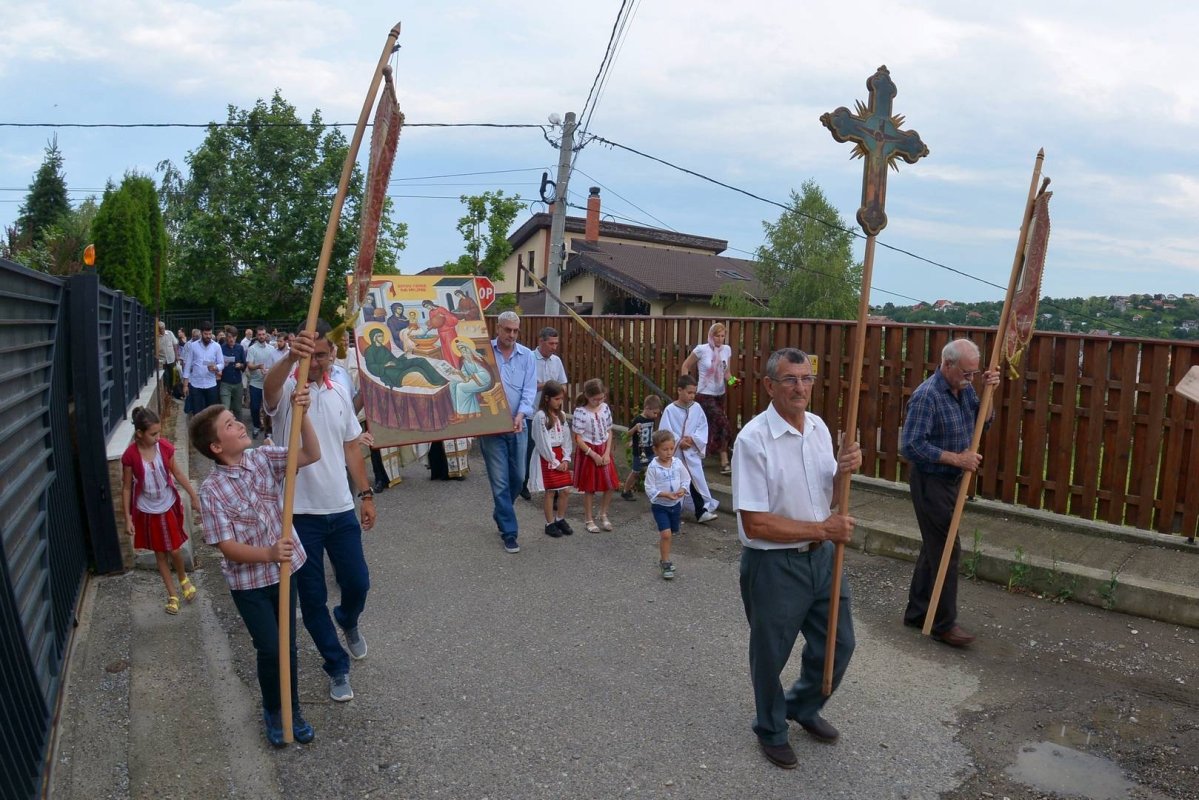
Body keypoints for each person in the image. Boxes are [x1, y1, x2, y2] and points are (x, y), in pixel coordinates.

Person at [732, 347, 862, 769]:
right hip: (774, 566)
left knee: (839, 644)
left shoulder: (819, 428)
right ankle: (770, 728)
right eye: (790, 379)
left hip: (822, 560)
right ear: (770, 386)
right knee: (770, 654)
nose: (800, 387)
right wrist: (824, 530)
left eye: (806, 378)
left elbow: (831, 500)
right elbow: (755, 523)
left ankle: (801, 706)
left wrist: (845, 472)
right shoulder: (753, 440)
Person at [191, 398, 321, 747]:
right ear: (216, 447)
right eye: (230, 424)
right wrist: (268, 554)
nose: (239, 425)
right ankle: (274, 711)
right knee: (270, 648)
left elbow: (310, 454)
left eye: (236, 419)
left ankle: (292, 709)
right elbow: (226, 546)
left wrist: (303, 415)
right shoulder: (212, 491)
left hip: (284, 573)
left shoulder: (262, 458)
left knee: (287, 647)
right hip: (249, 584)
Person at [264, 325, 376, 703]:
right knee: (312, 599)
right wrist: (291, 357)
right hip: (298, 514)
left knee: (358, 583)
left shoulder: (339, 391)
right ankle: (336, 665)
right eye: (309, 354)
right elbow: (269, 390)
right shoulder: (288, 392)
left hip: (340, 508)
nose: (315, 362)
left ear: (332, 356)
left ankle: (348, 619)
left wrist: (366, 494)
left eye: (322, 355)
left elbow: (351, 448)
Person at [899, 338, 1000, 648]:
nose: (970, 379)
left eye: (974, 373)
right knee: (946, 549)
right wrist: (957, 459)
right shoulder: (927, 396)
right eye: (966, 373)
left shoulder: (965, 389)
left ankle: (917, 612)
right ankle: (943, 624)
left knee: (933, 546)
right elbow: (911, 446)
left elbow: (984, 421)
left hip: (951, 482)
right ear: (947, 364)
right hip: (931, 482)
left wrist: (989, 391)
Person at [121, 406, 202, 615]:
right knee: (160, 554)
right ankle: (172, 594)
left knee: (174, 549)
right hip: (147, 510)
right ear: (140, 433)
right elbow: (127, 487)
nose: (158, 437)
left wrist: (193, 496)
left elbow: (178, 474)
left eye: (159, 433)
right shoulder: (130, 455)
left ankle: (183, 578)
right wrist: (128, 518)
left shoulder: (164, 447)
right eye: (153, 434)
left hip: (167, 504)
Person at [478, 311, 536, 554]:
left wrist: (521, 414)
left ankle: (501, 512)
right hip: (491, 428)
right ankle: (509, 531)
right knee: (500, 481)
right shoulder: (483, 352)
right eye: (507, 329)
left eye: (515, 330)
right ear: (498, 328)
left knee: (519, 478)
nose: (511, 334)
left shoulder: (527, 356)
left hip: (518, 426)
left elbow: (529, 390)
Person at [658, 375, 720, 523]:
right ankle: (674, 510)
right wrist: (678, 441)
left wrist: (693, 439)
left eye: (694, 393)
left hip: (691, 453)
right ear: (679, 390)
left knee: (695, 481)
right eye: (689, 392)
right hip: (676, 454)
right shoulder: (670, 410)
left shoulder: (696, 408)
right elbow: (665, 430)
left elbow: (702, 426)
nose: (692, 396)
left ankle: (701, 511)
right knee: (677, 482)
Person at [681, 322, 736, 475]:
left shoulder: (726, 350)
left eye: (722, 336)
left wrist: (734, 382)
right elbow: (685, 366)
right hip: (704, 394)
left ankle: (710, 458)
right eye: (717, 336)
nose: (720, 339)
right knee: (723, 423)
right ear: (711, 335)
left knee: (713, 427)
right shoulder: (701, 349)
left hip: (720, 394)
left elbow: (727, 373)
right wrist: (687, 386)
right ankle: (724, 460)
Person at [520, 326, 569, 500]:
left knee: (553, 448)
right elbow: (525, 385)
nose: (554, 347)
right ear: (541, 341)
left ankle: (554, 487)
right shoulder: (529, 358)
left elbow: (562, 383)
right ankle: (524, 483)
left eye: (556, 343)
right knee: (530, 450)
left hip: (551, 414)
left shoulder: (556, 360)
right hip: (532, 413)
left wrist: (558, 391)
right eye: (551, 343)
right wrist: (547, 386)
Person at [572, 378, 620, 533]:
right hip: (589, 451)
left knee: (611, 484)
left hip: (604, 449)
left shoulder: (604, 408)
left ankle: (603, 513)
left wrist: (607, 452)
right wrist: (592, 454)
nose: (599, 401)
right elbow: (578, 438)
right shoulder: (580, 412)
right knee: (589, 487)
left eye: (601, 398)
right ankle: (589, 519)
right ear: (587, 396)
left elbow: (609, 431)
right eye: (595, 399)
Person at [528, 380, 573, 537]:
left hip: (560, 454)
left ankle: (560, 518)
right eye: (556, 399)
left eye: (561, 399)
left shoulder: (561, 415)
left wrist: (566, 458)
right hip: (547, 456)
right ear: (547, 398)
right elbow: (542, 442)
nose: (559, 402)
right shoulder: (541, 417)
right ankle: (549, 523)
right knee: (551, 491)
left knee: (565, 490)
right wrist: (554, 461)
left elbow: (566, 438)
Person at [644, 429, 688, 580]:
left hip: (675, 505)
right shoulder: (653, 467)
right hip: (660, 506)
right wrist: (664, 494)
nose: (669, 452)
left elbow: (686, 479)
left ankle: (665, 556)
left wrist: (682, 489)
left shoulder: (677, 463)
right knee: (666, 534)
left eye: (671, 448)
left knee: (672, 532)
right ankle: (665, 562)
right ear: (655, 450)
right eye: (664, 449)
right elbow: (649, 488)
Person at [363, 327, 447, 388]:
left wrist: (405, 355)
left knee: (421, 360)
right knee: (415, 369)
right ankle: (434, 383)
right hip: (388, 370)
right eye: (379, 336)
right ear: (374, 338)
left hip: (397, 364)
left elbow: (394, 359)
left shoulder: (383, 348)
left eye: (382, 335)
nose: (382, 338)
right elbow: (370, 366)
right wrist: (385, 365)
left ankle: (439, 379)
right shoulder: (370, 351)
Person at [621, 395, 663, 501]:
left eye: (657, 413)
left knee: (653, 469)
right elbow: (628, 433)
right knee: (635, 472)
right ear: (647, 408)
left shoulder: (651, 419)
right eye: (654, 413)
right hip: (640, 452)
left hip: (650, 450)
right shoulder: (638, 420)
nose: (656, 415)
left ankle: (656, 492)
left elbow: (650, 433)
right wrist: (635, 428)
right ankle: (625, 491)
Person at [181, 322, 222, 416]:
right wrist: (185, 385)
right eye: (206, 334)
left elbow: (221, 363)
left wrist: (216, 367)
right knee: (197, 413)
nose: (208, 336)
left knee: (211, 413)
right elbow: (187, 366)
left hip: (211, 384)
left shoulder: (216, 346)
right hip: (196, 385)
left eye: (210, 334)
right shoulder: (193, 346)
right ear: (201, 333)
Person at [447, 338, 493, 418]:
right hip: (475, 380)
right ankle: (472, 412)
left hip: (484, 381)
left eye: (464, 349)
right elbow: (465, 375)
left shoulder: (477, 358)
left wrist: (472, 377)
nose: (463, 352)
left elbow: (485, 374)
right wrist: (458, 372)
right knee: (453, 384)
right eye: (461, 350)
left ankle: (462, 414)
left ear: (468, 348)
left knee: (460, 387)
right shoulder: (464, 360)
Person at [245, 327, 276, 438]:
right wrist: (258, 366)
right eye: (259, 334)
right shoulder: (252, 349)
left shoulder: (272, 349)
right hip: (255, 383)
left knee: (269, 408)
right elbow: (249, 365)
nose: (262, 336)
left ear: (266, 335)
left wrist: (269, 371)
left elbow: (275, 364)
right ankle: (256, 426)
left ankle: (268, 430)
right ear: (256, 335)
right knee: (254, 407)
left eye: (263, 334)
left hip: (268, 383)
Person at [423, 299, 461, 368]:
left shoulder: (441, 309)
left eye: (427, 306)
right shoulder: (430, 313)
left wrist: (444, 316)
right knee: (445, 350)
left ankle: (457, 366)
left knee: (452, 349)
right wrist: (429, 326)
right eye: (426, 307)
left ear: (430, 304)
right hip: (441, 332)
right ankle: (450, 366)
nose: (428, 308)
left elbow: (452, 318)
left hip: (449, 332)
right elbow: (434, 323)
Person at [157, 321, 180, 398]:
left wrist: (177, 356)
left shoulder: (169, 333)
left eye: (163, 328)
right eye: (160, 328)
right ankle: (168, 391)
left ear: (164, 327)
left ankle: (174, 391)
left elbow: (175, 344)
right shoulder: (157, 337)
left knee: (173, 375)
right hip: (162, 360)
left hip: (171, 358)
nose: (162, 330)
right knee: (165, 376)